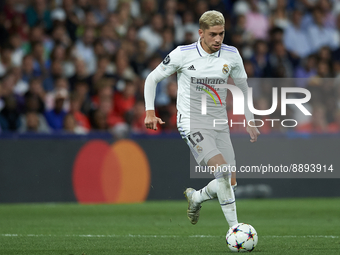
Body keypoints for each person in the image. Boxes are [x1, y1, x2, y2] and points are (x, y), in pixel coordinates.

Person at [144, 10, 260, 228]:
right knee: (222, 171)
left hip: (219, 124)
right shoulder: (182, 54)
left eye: (221, 34)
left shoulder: (232, 55)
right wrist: (150, 111)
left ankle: (196, 197)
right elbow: (152, 79)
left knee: (230, 183)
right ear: (201, 33)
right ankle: (235, 229)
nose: (217, 39)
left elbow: (244, 88)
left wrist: (249, 119)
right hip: (191, 122)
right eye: (213, 34)